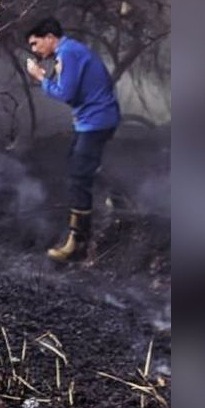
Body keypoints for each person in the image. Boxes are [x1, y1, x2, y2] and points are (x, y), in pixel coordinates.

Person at [25, 17, 121, 262]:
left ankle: (77, 244)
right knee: (80, 162)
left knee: (79, 174)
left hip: (96, 121)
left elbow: (66, 94)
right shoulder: (70, 51)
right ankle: (118, 197)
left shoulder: (68, 53)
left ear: (49, 37)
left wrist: (40, 77)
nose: (34, 50)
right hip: (95, 119)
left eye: (36, 44)